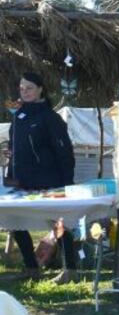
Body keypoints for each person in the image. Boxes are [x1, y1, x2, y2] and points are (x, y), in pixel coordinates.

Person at [5, 72, 77, 283]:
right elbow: (14, 147)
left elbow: (64, 152)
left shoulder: (50, 118)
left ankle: (70, 269)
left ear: (40, 89)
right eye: (21, 88)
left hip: (49, 180)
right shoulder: (17, 116)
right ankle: (31, 267)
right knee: (15, 221)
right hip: (20, 181)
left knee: (58, 224)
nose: (24, 92)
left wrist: (66, 182)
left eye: (28, 88)